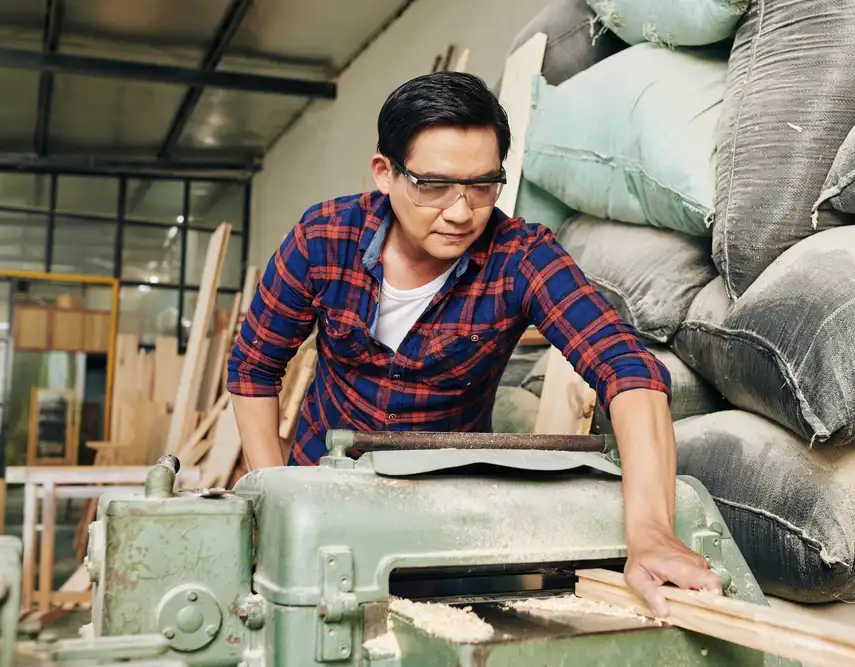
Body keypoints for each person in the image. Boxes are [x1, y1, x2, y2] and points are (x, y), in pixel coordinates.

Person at [226, 71, 722, 615]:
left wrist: (651, 531)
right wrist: (275, 498)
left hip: (444, 512)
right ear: (384, 174)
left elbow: (627, 368)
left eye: (482, 186)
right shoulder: (324, 238)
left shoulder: (521, 257)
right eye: (434, 186)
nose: (461, 212)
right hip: (322, 492)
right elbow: (254, 367)